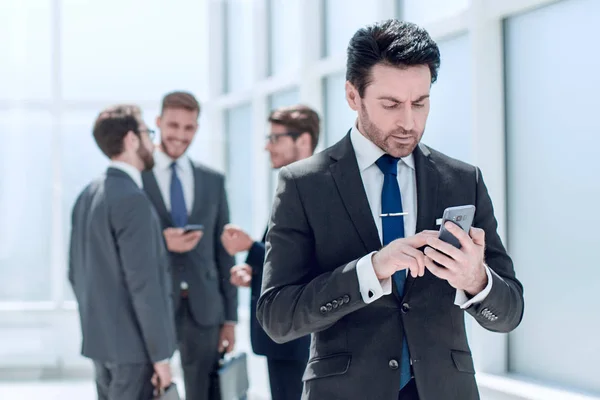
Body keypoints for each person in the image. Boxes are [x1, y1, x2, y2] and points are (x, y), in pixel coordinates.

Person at [256, 19, 525, 400]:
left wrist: (475, 280)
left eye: (420, 103)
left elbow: (510, 312)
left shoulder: (463, 180)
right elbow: (277, 317)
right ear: (353, 96)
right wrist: (372, 269)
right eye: (391, 104)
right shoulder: (303, 184)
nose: (408, 122)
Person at [69, 105, 176, 400]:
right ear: (131, 139)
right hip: (134, 351)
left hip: (100, 345)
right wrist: (161, 357)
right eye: (147, 133)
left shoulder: (87, 194)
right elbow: (144, 285)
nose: (153, 143)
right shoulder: (133, 200)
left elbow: (74, 273)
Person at [141, 91, 237, 400]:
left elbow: (224, 253)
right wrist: (159, 242)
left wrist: (230, 319)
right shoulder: (137, 178)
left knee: (205, 392)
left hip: (205, 307)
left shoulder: (212, 181)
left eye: (189, 128)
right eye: (173, 126)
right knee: (150, 387)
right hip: (153, 304)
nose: (180, 136)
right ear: (158, 123)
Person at [221, 105, 320, 400]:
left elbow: (310, 260)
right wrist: (254, 271)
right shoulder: (295, 183)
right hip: (284, 333)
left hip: (297, 333)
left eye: (275, 138)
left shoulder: (315, 187)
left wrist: (250, 247)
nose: (267, 146)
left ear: (302, 140)